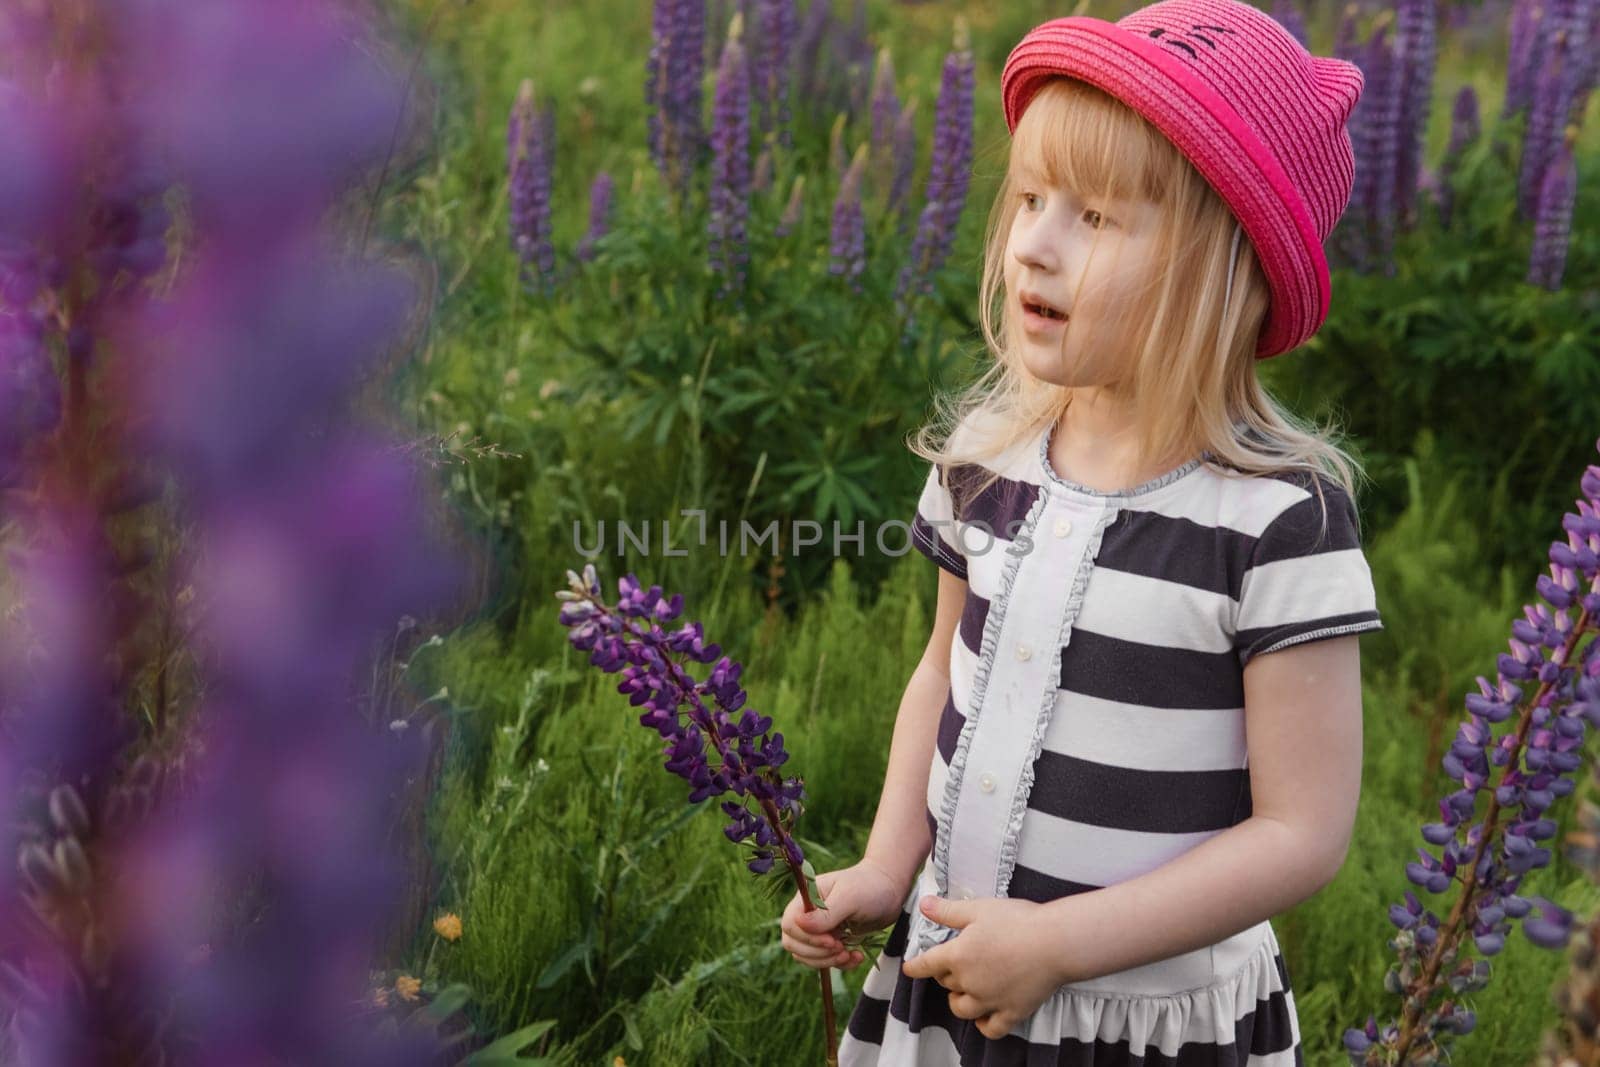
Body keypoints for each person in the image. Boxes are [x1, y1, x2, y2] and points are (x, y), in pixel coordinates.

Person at [780, 0, 1386, 1062]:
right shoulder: (985, 458)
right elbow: (940, 678)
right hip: (956, 974)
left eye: (1094, 217)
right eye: (1026, 200)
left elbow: (1302, 832)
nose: (1034, 247)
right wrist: (885, 867)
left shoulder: (1276, 520)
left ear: (1219, 263)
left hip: (1140, 1021)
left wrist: (1064, 942)